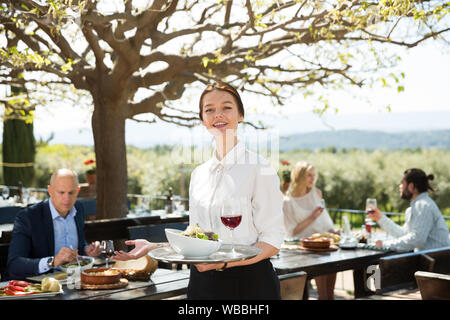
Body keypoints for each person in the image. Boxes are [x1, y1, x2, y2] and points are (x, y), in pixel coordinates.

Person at [114, 81, 285, 299]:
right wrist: (154, 246)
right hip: (203, 285)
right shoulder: (199, 174)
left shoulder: (260, 168)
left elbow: (272, 242)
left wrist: (222, 264)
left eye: (227, 107)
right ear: (203, 120)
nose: (218, 115)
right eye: (209, 110)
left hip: (249, 285)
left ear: (240, 115)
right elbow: (200, 239)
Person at [6, 168, 102, 280]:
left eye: (71, 192)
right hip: (42, 286)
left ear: (78, 191)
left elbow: (77, 246)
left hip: (74, 281)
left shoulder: (78, 209)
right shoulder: (28, 217)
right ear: (50, 191)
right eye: (61, 192)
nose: (67, 198)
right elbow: (14, 264)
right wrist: (52, 261)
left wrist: (86, 249)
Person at [282, 161, 337, 300]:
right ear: (299, 177)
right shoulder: (288, 201)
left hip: (322, 244)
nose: (313, 179)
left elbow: (324, 219)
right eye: (309, 175)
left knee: (329, 293)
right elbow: (291, 232)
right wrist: (312, 217)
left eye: (314, 175)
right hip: (302, 248)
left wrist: (333, 232)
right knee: (323, 290)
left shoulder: (316, 193)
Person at [368, 168, 450, 252]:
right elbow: (404, 235)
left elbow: (417, 239)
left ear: (411, 186)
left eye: (402, 183)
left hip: (438, 263)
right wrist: (380, 218)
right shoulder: (415, 207)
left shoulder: (422, 206)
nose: (400, 186)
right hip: (430, 260)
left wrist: (386, 244)